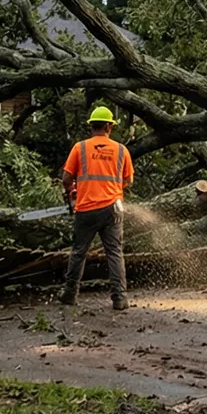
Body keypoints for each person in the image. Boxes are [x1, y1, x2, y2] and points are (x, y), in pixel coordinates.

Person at [59, 105, 134, 309]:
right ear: (109, 126)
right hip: (113, 208)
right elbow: (127, 180)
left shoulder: (80, 148)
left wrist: (72, 191)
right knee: (114, 252)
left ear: (92, 126)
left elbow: (66, 178)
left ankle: (70, 295)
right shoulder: (121, 150)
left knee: (79, 252)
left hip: (86, 208)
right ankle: (119, 298)